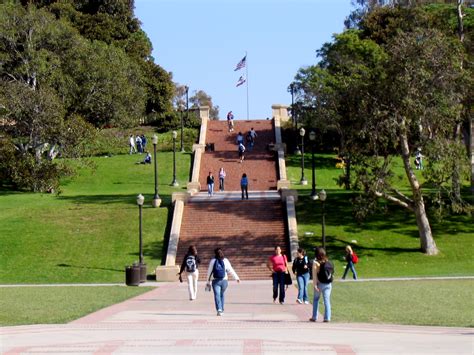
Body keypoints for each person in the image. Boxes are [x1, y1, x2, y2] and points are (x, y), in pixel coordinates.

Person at [206, 248, 240, 316]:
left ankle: (219, 309)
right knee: (221, 294)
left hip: (215, 281)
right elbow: (230, 270)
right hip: (224, 281)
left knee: (217, 295)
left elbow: (209, 271)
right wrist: (236, 278)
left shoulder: (213, 261)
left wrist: (208, 281)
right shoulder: (225, 260)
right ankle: (222, 308)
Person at [309, 247, 334, 322]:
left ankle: (314, 316)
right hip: (328, 284)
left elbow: (314, 275)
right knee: (327, 300)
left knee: (316, 299)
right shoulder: (328, 262)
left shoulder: (315, 263)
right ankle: (327, 317)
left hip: (320, 284)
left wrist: (315, 285)